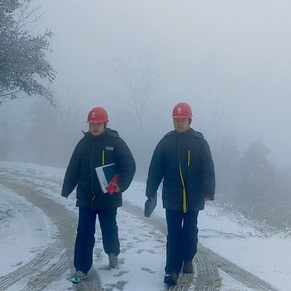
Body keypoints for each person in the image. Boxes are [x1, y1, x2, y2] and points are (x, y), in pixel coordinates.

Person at [61, 106, 136, 284]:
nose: (94, 127)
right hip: (86, 196)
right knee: (84, 232)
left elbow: (129, 165)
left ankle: (113, 253)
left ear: (105, 123)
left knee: (109, 229)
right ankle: (81, 268)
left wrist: (120, 185)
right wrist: (67, 189)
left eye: (98, 123)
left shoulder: (115, 142)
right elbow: (73, 167)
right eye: (92, 124)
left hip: (109, 197)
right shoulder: (83, 143)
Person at [145, 102, 216, 286]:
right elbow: (155, 169)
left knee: (190, 232)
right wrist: (150, 191)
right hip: (172, 198)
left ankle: (188, 258)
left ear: (189, 120)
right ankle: (171, 270)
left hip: (194, 198)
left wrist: (208, 191)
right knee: (174, 234)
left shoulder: (199, 142)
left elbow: (207, 168)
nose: (179, 123)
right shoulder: (166, 142)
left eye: (183, 119)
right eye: (176, 120)